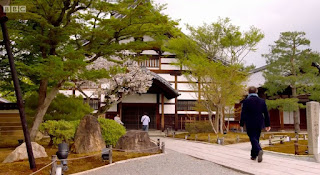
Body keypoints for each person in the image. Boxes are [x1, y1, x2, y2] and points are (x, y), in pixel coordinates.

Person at [240, 86, 271, 163]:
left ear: (248, 92)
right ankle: (253, 155)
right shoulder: (262, 101)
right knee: (256, 137)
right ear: (256, 92)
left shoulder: (246, 101)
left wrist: (241, 123)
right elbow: (266, 114)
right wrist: (267, 124)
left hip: (249, 122)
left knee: (252, 137)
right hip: (259, 122)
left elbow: (243, 113)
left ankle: (259, 149)